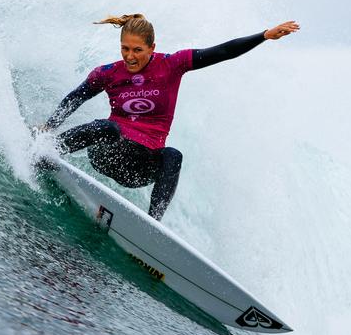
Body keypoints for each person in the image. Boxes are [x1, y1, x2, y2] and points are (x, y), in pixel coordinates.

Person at [39, 14, 299, 220]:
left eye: (137, 50)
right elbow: (76, 97)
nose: (130, 56)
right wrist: (50, 126)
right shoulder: (108, 73)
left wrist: (264, 36)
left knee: (173, 155)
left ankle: (152, 226)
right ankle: (46, 151)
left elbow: (221, 52)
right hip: (108, 154)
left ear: (153, 47)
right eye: (125, 48)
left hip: (140, 168)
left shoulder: (172, 65)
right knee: (107, 127)